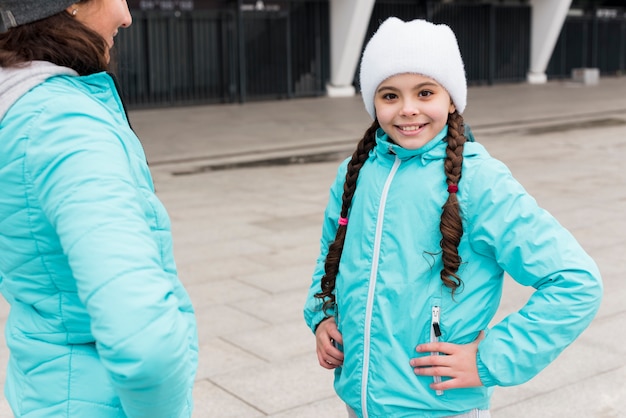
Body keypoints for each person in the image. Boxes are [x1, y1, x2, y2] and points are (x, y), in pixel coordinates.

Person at [303, 17, 603, 418]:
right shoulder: (355, 173)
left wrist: (488, 359)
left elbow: (576, 282)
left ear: (451, 98)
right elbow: (331, 254)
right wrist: (323, 316)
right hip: (360, 402)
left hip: (440, 406)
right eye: (390, 95)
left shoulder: (480, 180)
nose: (408, 109)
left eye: (424, 92)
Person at [0, 1, 198, 417]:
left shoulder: (17, 109)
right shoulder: (63, 125)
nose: (126, 16)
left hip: (49, 388)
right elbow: (146, 344)